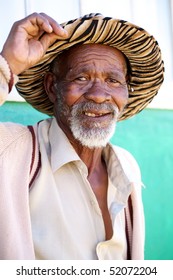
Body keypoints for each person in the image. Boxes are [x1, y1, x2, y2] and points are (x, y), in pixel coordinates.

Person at [0, 12, 164, 260]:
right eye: (81, 77)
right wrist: (8, 65)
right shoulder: (14, 150)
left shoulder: (127, 166)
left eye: (113, 80)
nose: (99, 94)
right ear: (52, 88)